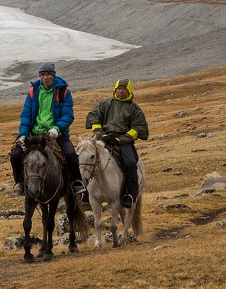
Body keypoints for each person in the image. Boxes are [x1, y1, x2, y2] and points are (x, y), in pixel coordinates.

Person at [10, 62, 83, 200]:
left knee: (70, 154)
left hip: (56, 134)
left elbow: (68, 114)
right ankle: (19, 183)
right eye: (42, 74)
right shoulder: (33, 91)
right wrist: (24, 134)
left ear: (53, 75)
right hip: (35, 134)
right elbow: (26, 114)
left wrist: (57, 128)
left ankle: (76, 182)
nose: (45, 77)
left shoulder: (63, 91)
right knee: (15, 155)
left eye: (48, 74)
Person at [85, 79, 149, 209]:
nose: (121, 91)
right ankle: (84, 191)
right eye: (118, 89)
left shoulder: (134, 109)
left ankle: (129, 195)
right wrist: (101, 135)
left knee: (130, 163)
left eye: (124, 89)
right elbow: (94, 117)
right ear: (115, 90)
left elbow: (137, 128)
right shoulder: (105, 104)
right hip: (103, 138)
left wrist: (120, 140)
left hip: (123, 142)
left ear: (129, 91)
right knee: (84, 156)